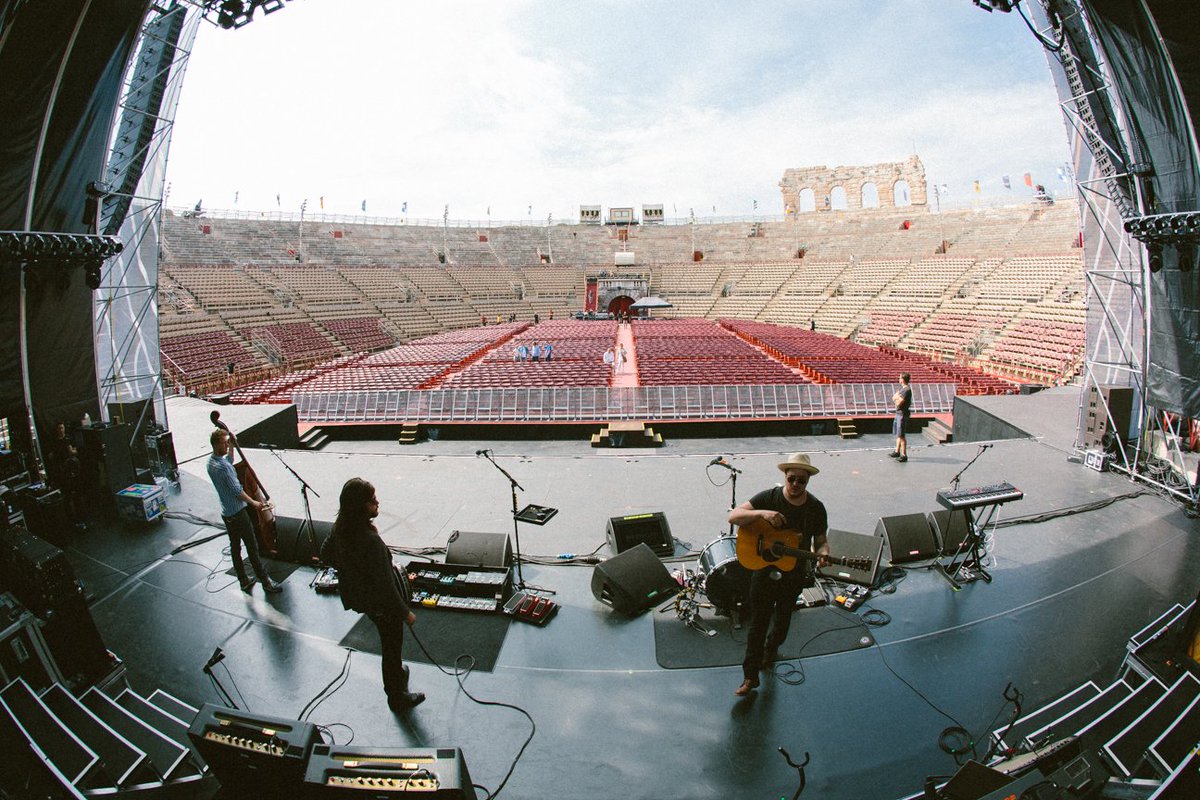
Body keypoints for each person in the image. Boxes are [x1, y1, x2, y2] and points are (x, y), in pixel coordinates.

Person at [728, 452, 829, 697]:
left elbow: (822, 541)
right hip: (763, 570)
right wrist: (761, 514)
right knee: (758, 622)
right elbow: (733, 516)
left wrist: (824, 553)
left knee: (783, 620)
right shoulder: (769, 497)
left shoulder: (815, 508)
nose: (795, 485)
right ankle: (750, 676)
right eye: (792, 479)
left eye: (801, 481)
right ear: (785, 476)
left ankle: (771, 651)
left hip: (794, 573)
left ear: (808, 482)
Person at [320, 478, 424, 711]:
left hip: (363, 601)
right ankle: (397, 697)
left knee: (389, 643)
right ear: (360, 506)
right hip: (382, 606)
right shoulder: (371, 540)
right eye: (371, 500)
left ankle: (397, 674)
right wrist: (405, 613)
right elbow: (386, 587)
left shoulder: (342, 528)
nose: (377, 502)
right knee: (391, 647)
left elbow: (325, 554)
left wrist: (353, 571)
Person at [206, 429, 281, 594]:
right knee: (252, 547)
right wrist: (255, 503)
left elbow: (228, 461)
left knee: (235, 547)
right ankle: (266, 582)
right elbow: (237, 490)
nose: (227, 445)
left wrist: (232, 447)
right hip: (238, 514)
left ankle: (243, 580)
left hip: (226, 513)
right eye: (225, 443)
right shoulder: (223, 469)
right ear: (217, 444)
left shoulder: (211, 463)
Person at [891, 372, 912, 463]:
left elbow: (898, 402)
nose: (898, 379)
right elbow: (894, 397)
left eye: (899, 377)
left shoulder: (906, 390)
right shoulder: (903, 390)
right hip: (899, 413)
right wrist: (896, 398)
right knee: (898, 434)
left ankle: (904, 455)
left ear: (902, 379)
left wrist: (896, 398)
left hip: (902, 414)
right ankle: (897, 451)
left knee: (901, 435)